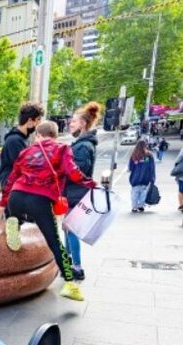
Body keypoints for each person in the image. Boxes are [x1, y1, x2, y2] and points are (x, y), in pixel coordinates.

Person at [0, 120, 95, 302]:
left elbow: (10, 180)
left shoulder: (26, 152)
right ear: (55, 136)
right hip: (39, 199)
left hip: (16, 196)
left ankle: (14, 223)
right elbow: (73, 173)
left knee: (15, 214)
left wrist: (3, 202)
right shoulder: (61, 149)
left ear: (37, 135)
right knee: (55, 242)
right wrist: (91, 183)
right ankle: (70, 284)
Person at [63, 101, 101, 282]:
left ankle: (76, 267)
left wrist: (61, 169)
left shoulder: (83, 146)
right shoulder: (82, 144)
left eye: (74, 122)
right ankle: (69, 261)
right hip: (74, 193)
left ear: (83, 124)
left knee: (71, 230)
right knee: (68, 229)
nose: (70, 124)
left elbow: (77, 172)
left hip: (75, 194)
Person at [0, 101, 45, 192]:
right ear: (30, 121)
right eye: (38, 119)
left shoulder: (21, 139)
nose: (39, 123)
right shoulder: (15, 141)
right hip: (14, 191)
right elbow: (24, 168)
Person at [128, 139, 155, 213]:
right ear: (145, 146)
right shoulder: (149, 155)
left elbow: (131, 167)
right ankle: (141, 206)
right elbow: (152, 167)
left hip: (135, 177)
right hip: (146, 177)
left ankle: (134, 207)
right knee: (143, 192)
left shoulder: (134, 155)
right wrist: (152, 177)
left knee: (135, 192)